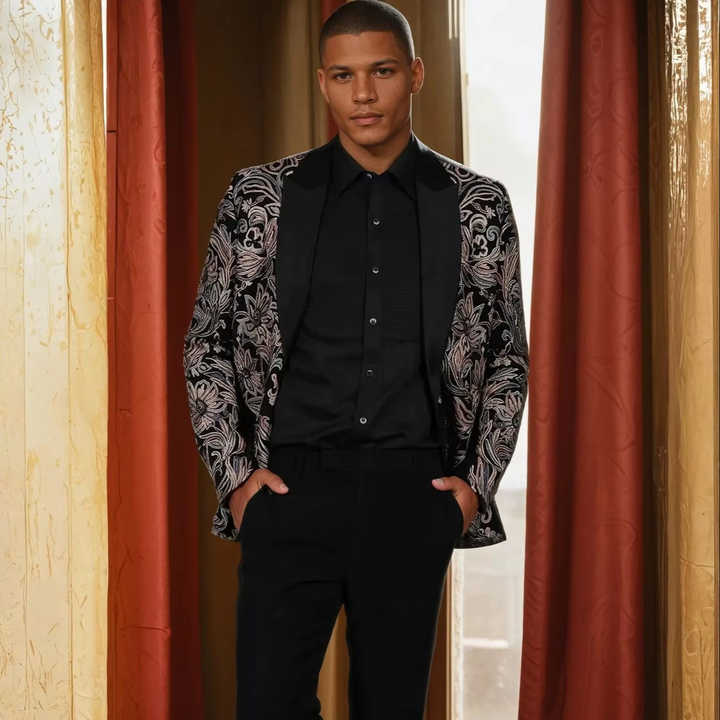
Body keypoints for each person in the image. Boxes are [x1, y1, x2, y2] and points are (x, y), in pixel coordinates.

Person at [182, 2, 529, 717]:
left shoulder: (478, 206)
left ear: (416, 75)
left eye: (382, 72)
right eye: (343, 76)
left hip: (415, 494)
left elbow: (507, 358)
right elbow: (206, 343)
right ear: (323, 82)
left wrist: (472, 489)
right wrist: (237, 480)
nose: (363, 94)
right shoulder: (260, 199)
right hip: (288, 492)